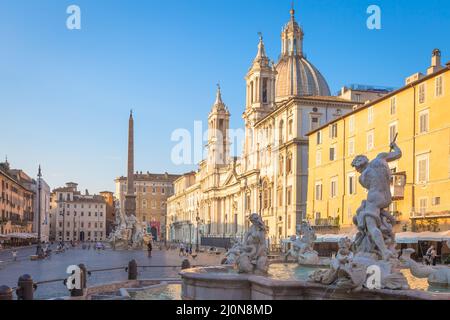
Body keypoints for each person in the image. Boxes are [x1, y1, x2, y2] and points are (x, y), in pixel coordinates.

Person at [351, 141, 402, 261]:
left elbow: (369, 186)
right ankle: (389, 218)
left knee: (371, 225)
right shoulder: (381, 158)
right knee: (368, 212)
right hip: (387, 198)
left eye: (356, 168)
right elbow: (398, 153)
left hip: (374, 198)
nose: (357, 170)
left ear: (359, 166)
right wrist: (394, 146)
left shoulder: (362, 177)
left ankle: (384, 252)